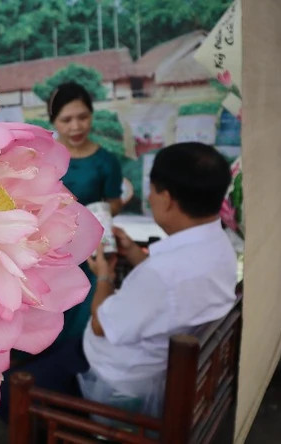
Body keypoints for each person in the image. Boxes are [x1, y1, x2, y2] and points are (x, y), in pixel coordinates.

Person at [81, 142, 237, 418]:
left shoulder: (161, 274)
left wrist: (103, 276)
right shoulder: (220, 246)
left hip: (120, 385)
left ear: (166, 199)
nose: (150, 198)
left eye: (152, 190)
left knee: (14, 384)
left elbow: (99, 324)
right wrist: (131, 252)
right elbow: (175, 294)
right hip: (169, 370)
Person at [48, 82, 124, 343]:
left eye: (83, 117)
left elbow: (114, 202)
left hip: (90, 247)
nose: (76, 126)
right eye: (66, 119)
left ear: (92, 115)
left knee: (81, 314)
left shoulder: (107, 161)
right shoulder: (45, 156)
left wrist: (96, 211)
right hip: (48, 245)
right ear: (54, 121)